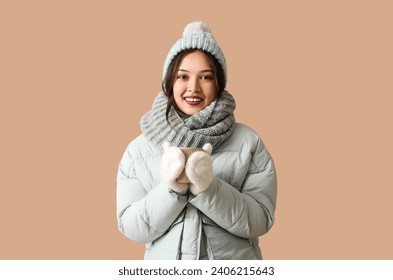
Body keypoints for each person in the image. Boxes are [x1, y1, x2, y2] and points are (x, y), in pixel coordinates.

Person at [116, 21, 277, 260]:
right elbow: (131, 226)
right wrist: (171, 189)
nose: (193, 88)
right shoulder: (138, 149)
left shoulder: (248, 142)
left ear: (218, 83)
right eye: (183, 76)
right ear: (170, 81)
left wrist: (209, 188)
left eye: (205, 77)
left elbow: (260, 220)